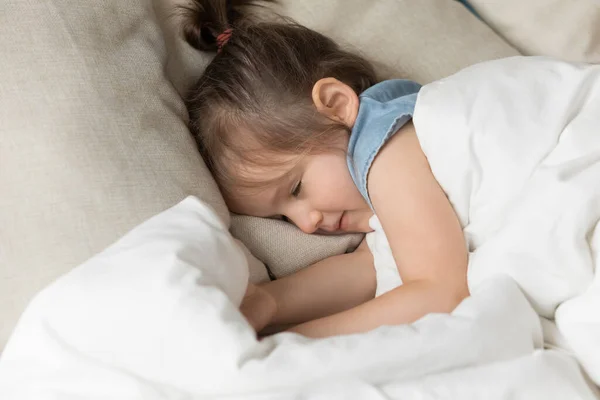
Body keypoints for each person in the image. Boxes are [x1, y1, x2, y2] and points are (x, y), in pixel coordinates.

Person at [179, 0, 469, 338]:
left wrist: (299, 342)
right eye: (283, 219)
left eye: (296, 189)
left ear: (336, 104)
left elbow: (441, 292)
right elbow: (366, 267)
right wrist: (269, 302)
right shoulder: (380, 202)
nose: (307, 223)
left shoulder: (387, 144)